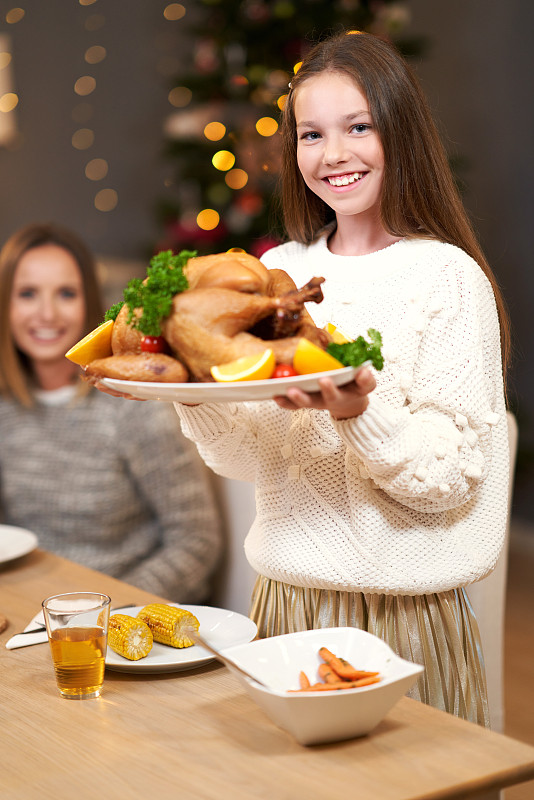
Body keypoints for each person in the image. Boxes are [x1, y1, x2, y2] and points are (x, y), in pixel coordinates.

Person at [171, 31, 510, 726]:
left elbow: (451, 480)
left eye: (359, 127)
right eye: (311, 134)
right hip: (286, 606)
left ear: (402, 133)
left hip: (406, 621)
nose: (333, 154)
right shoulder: (280, 274)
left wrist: (362, 414)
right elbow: (245, 455)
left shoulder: (446, 277)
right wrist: (191, 390)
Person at [0, 222, 223, 603]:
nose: (47, 313)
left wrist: (106, 610)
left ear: (88, 301)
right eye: (28, 294)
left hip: (120, 620)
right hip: (26, 616)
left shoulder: (133, 407)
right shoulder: (5, 411)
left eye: (66, 293)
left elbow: (196, 540)